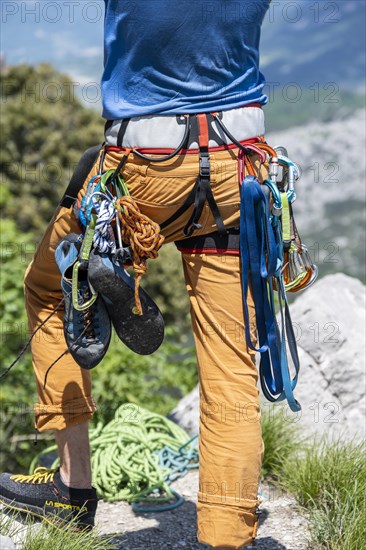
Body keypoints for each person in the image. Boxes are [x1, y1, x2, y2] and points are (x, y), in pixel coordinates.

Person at [0, 1, 272, 548]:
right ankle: (227, 532)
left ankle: (72, 490)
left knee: (51, 289)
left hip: (140, 168)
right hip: (237, 170)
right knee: (229, 365)